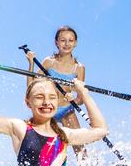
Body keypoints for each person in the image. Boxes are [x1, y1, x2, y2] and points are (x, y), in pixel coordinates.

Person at [25, 26, 86, 156]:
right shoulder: (49, 62)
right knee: (41, 149)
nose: (67, 43)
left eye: (70, 40)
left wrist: (74, 99)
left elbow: (81, 100)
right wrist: (31, 63)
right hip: (47, 110)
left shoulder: (79, 68)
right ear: (56, 42)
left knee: (79, 147)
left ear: (75, 43)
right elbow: (31, 87)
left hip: (66, 110)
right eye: (63, 40)